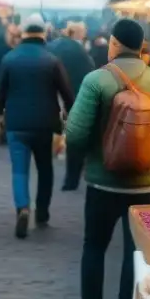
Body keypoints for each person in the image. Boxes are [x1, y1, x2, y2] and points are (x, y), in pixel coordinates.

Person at [62, 18, 150, 299]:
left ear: (114, 44)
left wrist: (98, 151)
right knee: (136, 253)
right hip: (147, 186)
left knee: (95, 247)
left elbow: (75, 135)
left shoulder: (96, 81)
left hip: (103, 183)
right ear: (142, 46)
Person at [0, 14, 75, 238]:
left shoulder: (9, 59)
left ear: (22, 33)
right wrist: (69, 115)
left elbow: (0, 93)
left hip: (16, 124)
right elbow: (67, 94)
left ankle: (22, 207)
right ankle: (42, 211)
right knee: (45, 169)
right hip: (45, 124)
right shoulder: (52, 60)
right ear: (43, 34)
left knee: (19, 170)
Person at [47, 21, 95, 191]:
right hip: (75, 93)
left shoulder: (53, 45)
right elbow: (90, 72)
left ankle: (52, 151)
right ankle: (71, 178)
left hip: (51, 93)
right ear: (78, 33)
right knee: (74, 134)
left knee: (55, 126)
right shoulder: (80, 50)